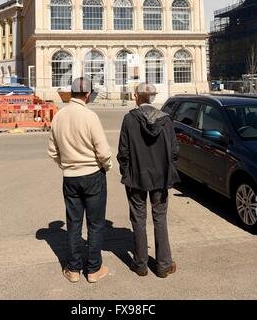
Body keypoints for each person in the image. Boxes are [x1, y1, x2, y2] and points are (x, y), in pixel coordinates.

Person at [48, 77, 112, 283]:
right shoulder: (90, 116)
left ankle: (74, 269)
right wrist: (106, 167)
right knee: (95, 223)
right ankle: (93, 269)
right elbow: (103, 151)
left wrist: (65, 164)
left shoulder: (59, 115)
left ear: (71, 93)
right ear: (87, 94)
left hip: (70, 176)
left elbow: (52, 150)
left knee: (74, 223)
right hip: (93, 174)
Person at [117, 82, 180, 278]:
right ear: (152, 97)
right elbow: (174, 151)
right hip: (160, 178)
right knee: (160, 219)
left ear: (137, 97)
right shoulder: (166, 120)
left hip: (136, 177)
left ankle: (140, 264)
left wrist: (126, 171)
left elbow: (123, 152)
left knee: (138, 219)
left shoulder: (129, 119)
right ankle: (163, 265)